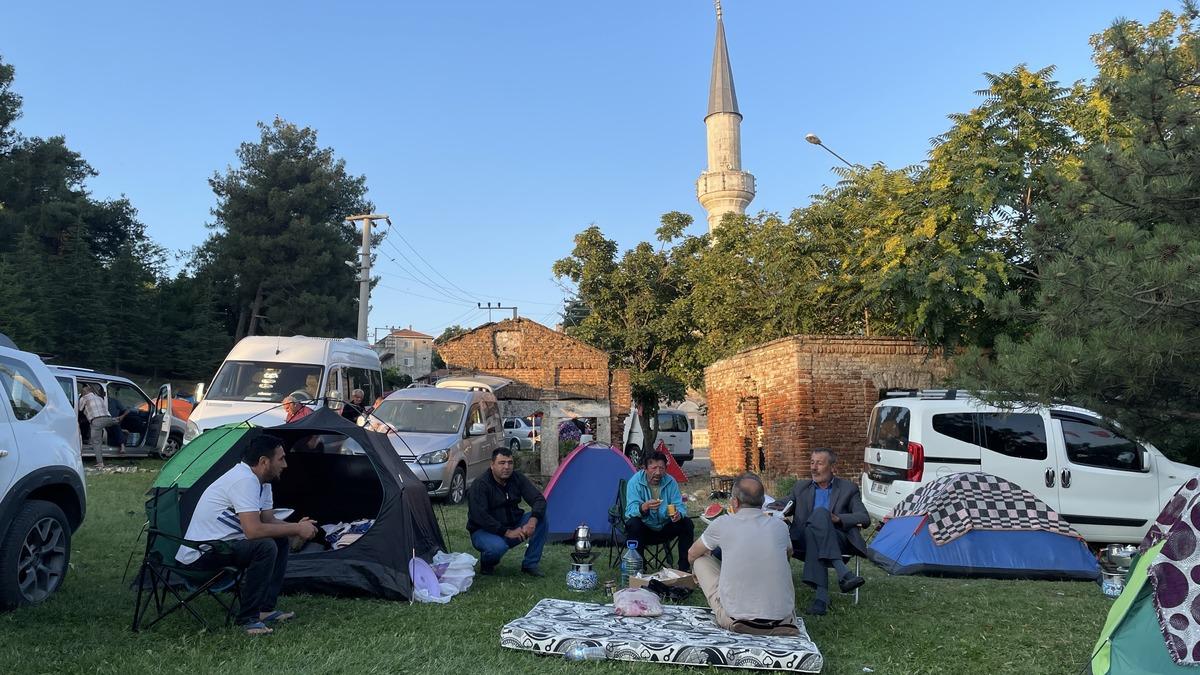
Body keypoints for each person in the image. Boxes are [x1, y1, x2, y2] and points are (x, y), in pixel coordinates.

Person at [176, 434, 318, 636]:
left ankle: (264, 610)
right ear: (263, 462)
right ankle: (248, 620)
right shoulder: (244, 480)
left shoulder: (263, 482)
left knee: (277, 540)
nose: (285, 464)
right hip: (201, 555)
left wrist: (295, 526)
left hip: (222, 546)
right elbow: (253, 531)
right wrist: (296, 529)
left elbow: (268, 521)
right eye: (281, 459)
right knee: (264, 546)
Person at [688, 473, 798, 635]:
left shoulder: (722, 523)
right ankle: (774, 620)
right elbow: (789, 552)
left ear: (735, 501)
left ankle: (732, 615)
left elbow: (692, 554)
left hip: (736, 618)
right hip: (782, 618)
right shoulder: (780, 526)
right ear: (762, 502)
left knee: (700, 561)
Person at [788, 447, 869, 616]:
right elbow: (784, 504)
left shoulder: (848, 489)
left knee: (818, 518)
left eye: (819, 463)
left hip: (837, 540)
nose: (813, 467)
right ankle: (843, 574)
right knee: (816, 520)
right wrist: (760, 503)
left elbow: (864, 517)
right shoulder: (801, 487)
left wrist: (839, 519)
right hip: (802, 541)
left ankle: (821, 598)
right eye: (812, 462)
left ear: (833, 467)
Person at [466, 447, 547, 576]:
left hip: (514, 525)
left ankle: (530, 565)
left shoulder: (517, 478)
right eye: (502, 463)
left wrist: (532, 521)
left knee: (541, 519)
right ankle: (487, 563)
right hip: (484, 531)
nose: (507, 467)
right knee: (498, 548)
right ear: (492, 465)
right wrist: (507, 532)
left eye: (510, 463)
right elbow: (479, 516)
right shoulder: (480, 484)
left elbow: (539, 499)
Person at [624, 450, 694, 571]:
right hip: (644, 530)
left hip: (665, 526)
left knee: (687, 523)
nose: (658, 472)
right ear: (645, 468)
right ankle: (638, 569)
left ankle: (684, 568)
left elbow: (680, 505)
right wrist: (643, 507)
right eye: (653, 468)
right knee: (633, 524)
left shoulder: (670, 481)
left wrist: (678, 514)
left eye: (661, 468)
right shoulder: (634, 482)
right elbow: (630, 511)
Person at [77, 385, 116, 468]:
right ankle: (123, 436)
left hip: (97, 421)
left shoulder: (84, 398)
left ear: (83, 392)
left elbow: (79, 409)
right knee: (115, 424)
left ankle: (100, 463)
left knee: (96, 442)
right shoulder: (99, 398)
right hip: (108, 419)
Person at [100, 387, 129, 455]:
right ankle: (122, 433)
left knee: (115, 425)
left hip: (113, 422)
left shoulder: (114, 401)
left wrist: (122, 416)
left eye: (106, 392)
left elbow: (127, 410)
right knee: (115, 425)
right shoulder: (98, 402)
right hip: (102, 421)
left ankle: (122, 446)